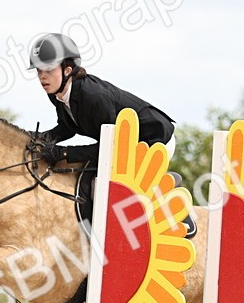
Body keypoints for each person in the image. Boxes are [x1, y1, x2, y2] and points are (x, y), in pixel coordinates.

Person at [28, 33, 176, 219]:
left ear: (67, 69)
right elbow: (68, 127)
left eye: (48, 69)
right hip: (121, 142)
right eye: (38, 71)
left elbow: (112, 148)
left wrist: (64, 153)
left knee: (101, 183)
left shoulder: (93, 96)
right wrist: (38, 138)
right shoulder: (57, 93)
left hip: (154, 140)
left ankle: (175, 213)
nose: (42, 77)